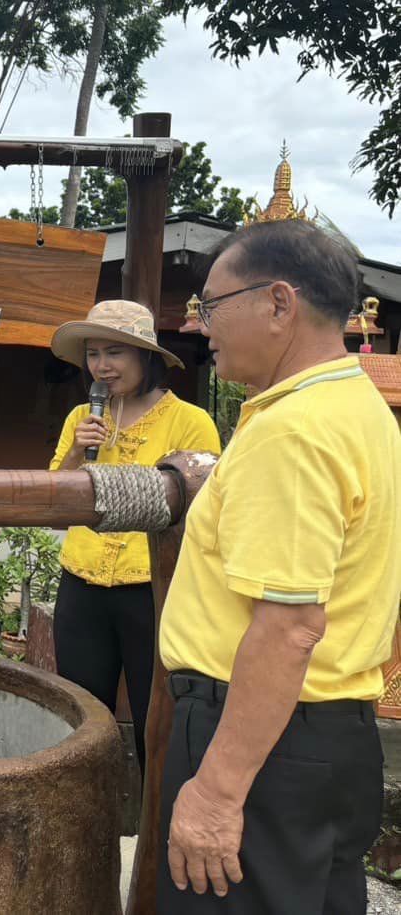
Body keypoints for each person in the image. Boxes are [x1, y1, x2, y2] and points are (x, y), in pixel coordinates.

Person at [158, 218, 399, 912]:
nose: (199, 325)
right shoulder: (357, 407)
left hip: (258, 741)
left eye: (210, 305)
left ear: (277, 303)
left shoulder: (289, 432)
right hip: (332, 736)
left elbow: (289, 625)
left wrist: (215, 790)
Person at [47, 300, 221, 772]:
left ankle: (156, 838)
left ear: (146, 357)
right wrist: (79, 453)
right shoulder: (81, 418)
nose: (102, 366)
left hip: (155, 588)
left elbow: (202, 512)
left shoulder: (189, 421)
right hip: (82, 583)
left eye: (115, 353)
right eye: (94, 354)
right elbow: (52, 503)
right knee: (83, 717)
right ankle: (86, 833)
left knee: (157, 718)